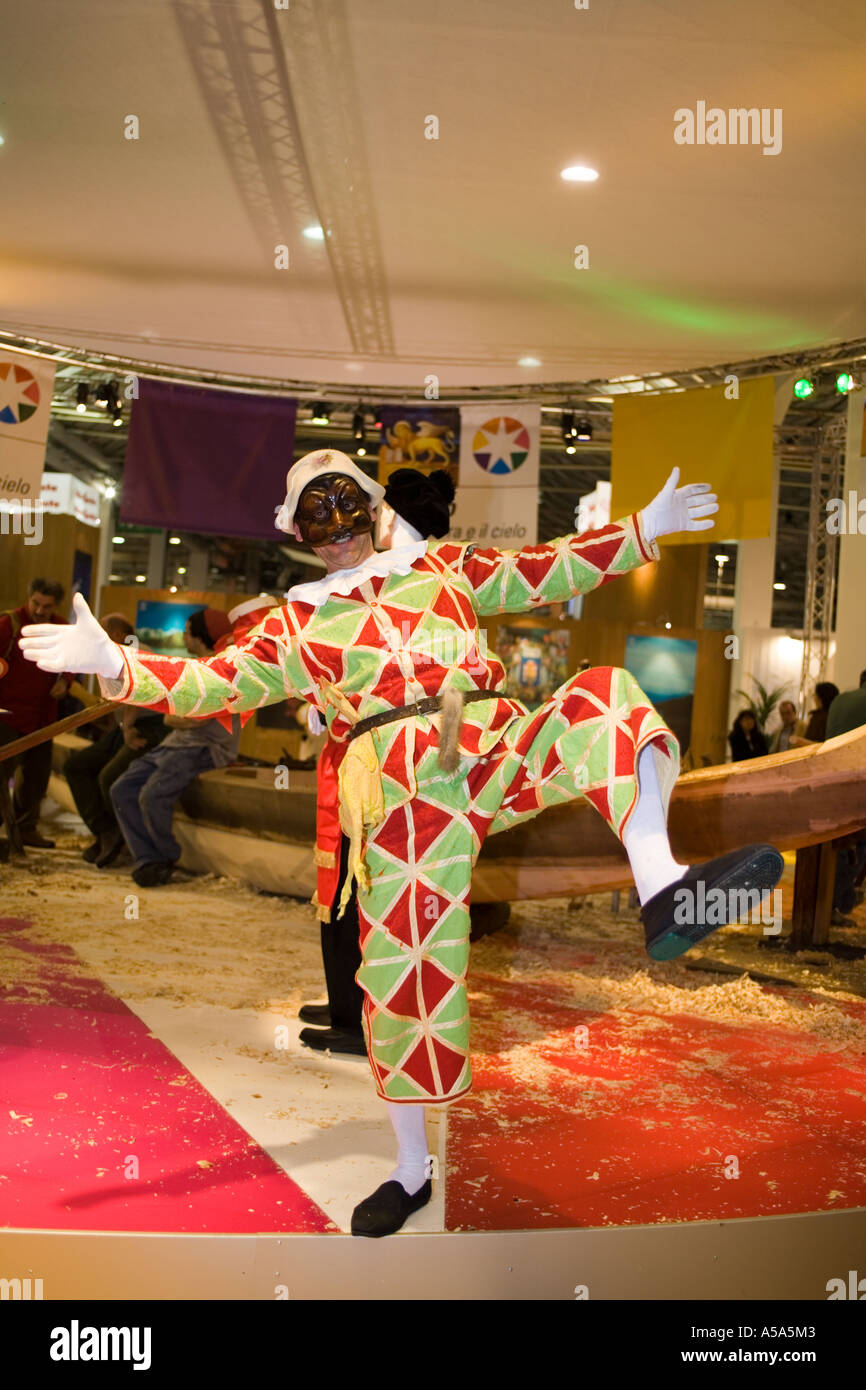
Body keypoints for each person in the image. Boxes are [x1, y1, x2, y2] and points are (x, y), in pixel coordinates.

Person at [21, 449, 784, 1238]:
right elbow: (213, 684)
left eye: (348, 504)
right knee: (405, 977)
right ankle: (412, 1168)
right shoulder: (298, 621)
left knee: (606, 699)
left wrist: (640, 531)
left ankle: (663, 887)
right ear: (295, 530)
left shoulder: (443, 566)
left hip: (490, 742)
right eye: (316, 513)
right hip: (401, 799)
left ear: (375, 507)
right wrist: (115, 663)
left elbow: (542, 570)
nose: (338, 528)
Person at [299, 467, 457, 1059]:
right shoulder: (335, 604)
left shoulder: (432, 585)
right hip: (361, 768)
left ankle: (369, 1019)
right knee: (347, 891)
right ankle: (354, 1007)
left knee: (374, 898)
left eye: (364, 515)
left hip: (409, 776)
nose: (345, 532)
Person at [107, 608, 239, 887]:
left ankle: (166, 857)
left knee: (151, 795)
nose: (183, 636)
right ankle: (147, 858)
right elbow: (173, 716)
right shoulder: (195, 666)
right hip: (175, 744)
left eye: (188, 631)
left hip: (205, 747)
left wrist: (180, 714)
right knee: (121, 789)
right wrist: (179, 715)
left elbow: (189, 717)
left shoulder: (221, 667)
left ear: (199, 635)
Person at [64, 614, 169, 867]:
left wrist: (128, 728)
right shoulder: (114, 656)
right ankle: (105, 830)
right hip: (126, 726)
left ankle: (126, 839)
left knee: (109, 777)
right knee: (76, 765)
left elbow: (136, 694)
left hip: (149, 729)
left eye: (102, 632)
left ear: (119, 634)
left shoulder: (136, 653)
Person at [0, 579, 74, 848]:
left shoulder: (62, 628)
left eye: (47, 606)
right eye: (36, 603)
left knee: (36, 776)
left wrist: (65, 681)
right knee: (1, 774)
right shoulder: (9, 624)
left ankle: (26, 828)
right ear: (28, 597)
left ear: (56, 606)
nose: (40, 610)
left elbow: (72, 660)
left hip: (42, 716)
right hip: (6, 716)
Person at [826, 669, 866, 924]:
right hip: (858, 783)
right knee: (859, 842)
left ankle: (838, 899)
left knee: (837, 843)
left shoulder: (841, 699)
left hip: (829, 781)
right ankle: (843, 898)